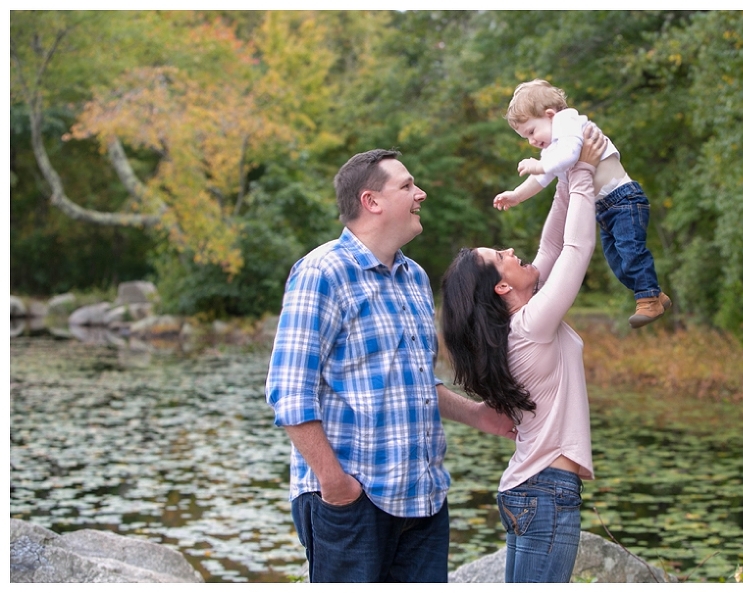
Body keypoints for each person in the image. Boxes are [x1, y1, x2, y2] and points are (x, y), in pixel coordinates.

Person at [264, 149, 516, 583]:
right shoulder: (321, 272)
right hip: (353, 503)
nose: (421, 193)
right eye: (407, 186)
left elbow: (414, 384)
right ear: (371, 201)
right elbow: (288, 391)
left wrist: (478, 415)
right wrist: (335, 483)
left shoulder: (414, 278)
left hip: (424, 499)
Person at [441, 123, 606, 582]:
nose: (513, 250)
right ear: (500, 286)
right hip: (547, 491)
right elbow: (577, 247)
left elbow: (553, 244)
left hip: (531, 489)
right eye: (502, 253)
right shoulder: (531, 326)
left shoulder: (523, 323)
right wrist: (587, 172)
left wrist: (567, 167)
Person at [493, 79, 671, 328]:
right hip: (605, 210)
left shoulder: (569, 124)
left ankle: (648, 299)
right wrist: (517, 194)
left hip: (624, 200)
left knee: (630, 252)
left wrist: (540, 164)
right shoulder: (555, 145)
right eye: (526, 138)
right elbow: (543, 177)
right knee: (617, 261)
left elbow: (568, 155)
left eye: (532, 132)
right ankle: (653, 292)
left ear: (550, 115)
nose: (532, 142)